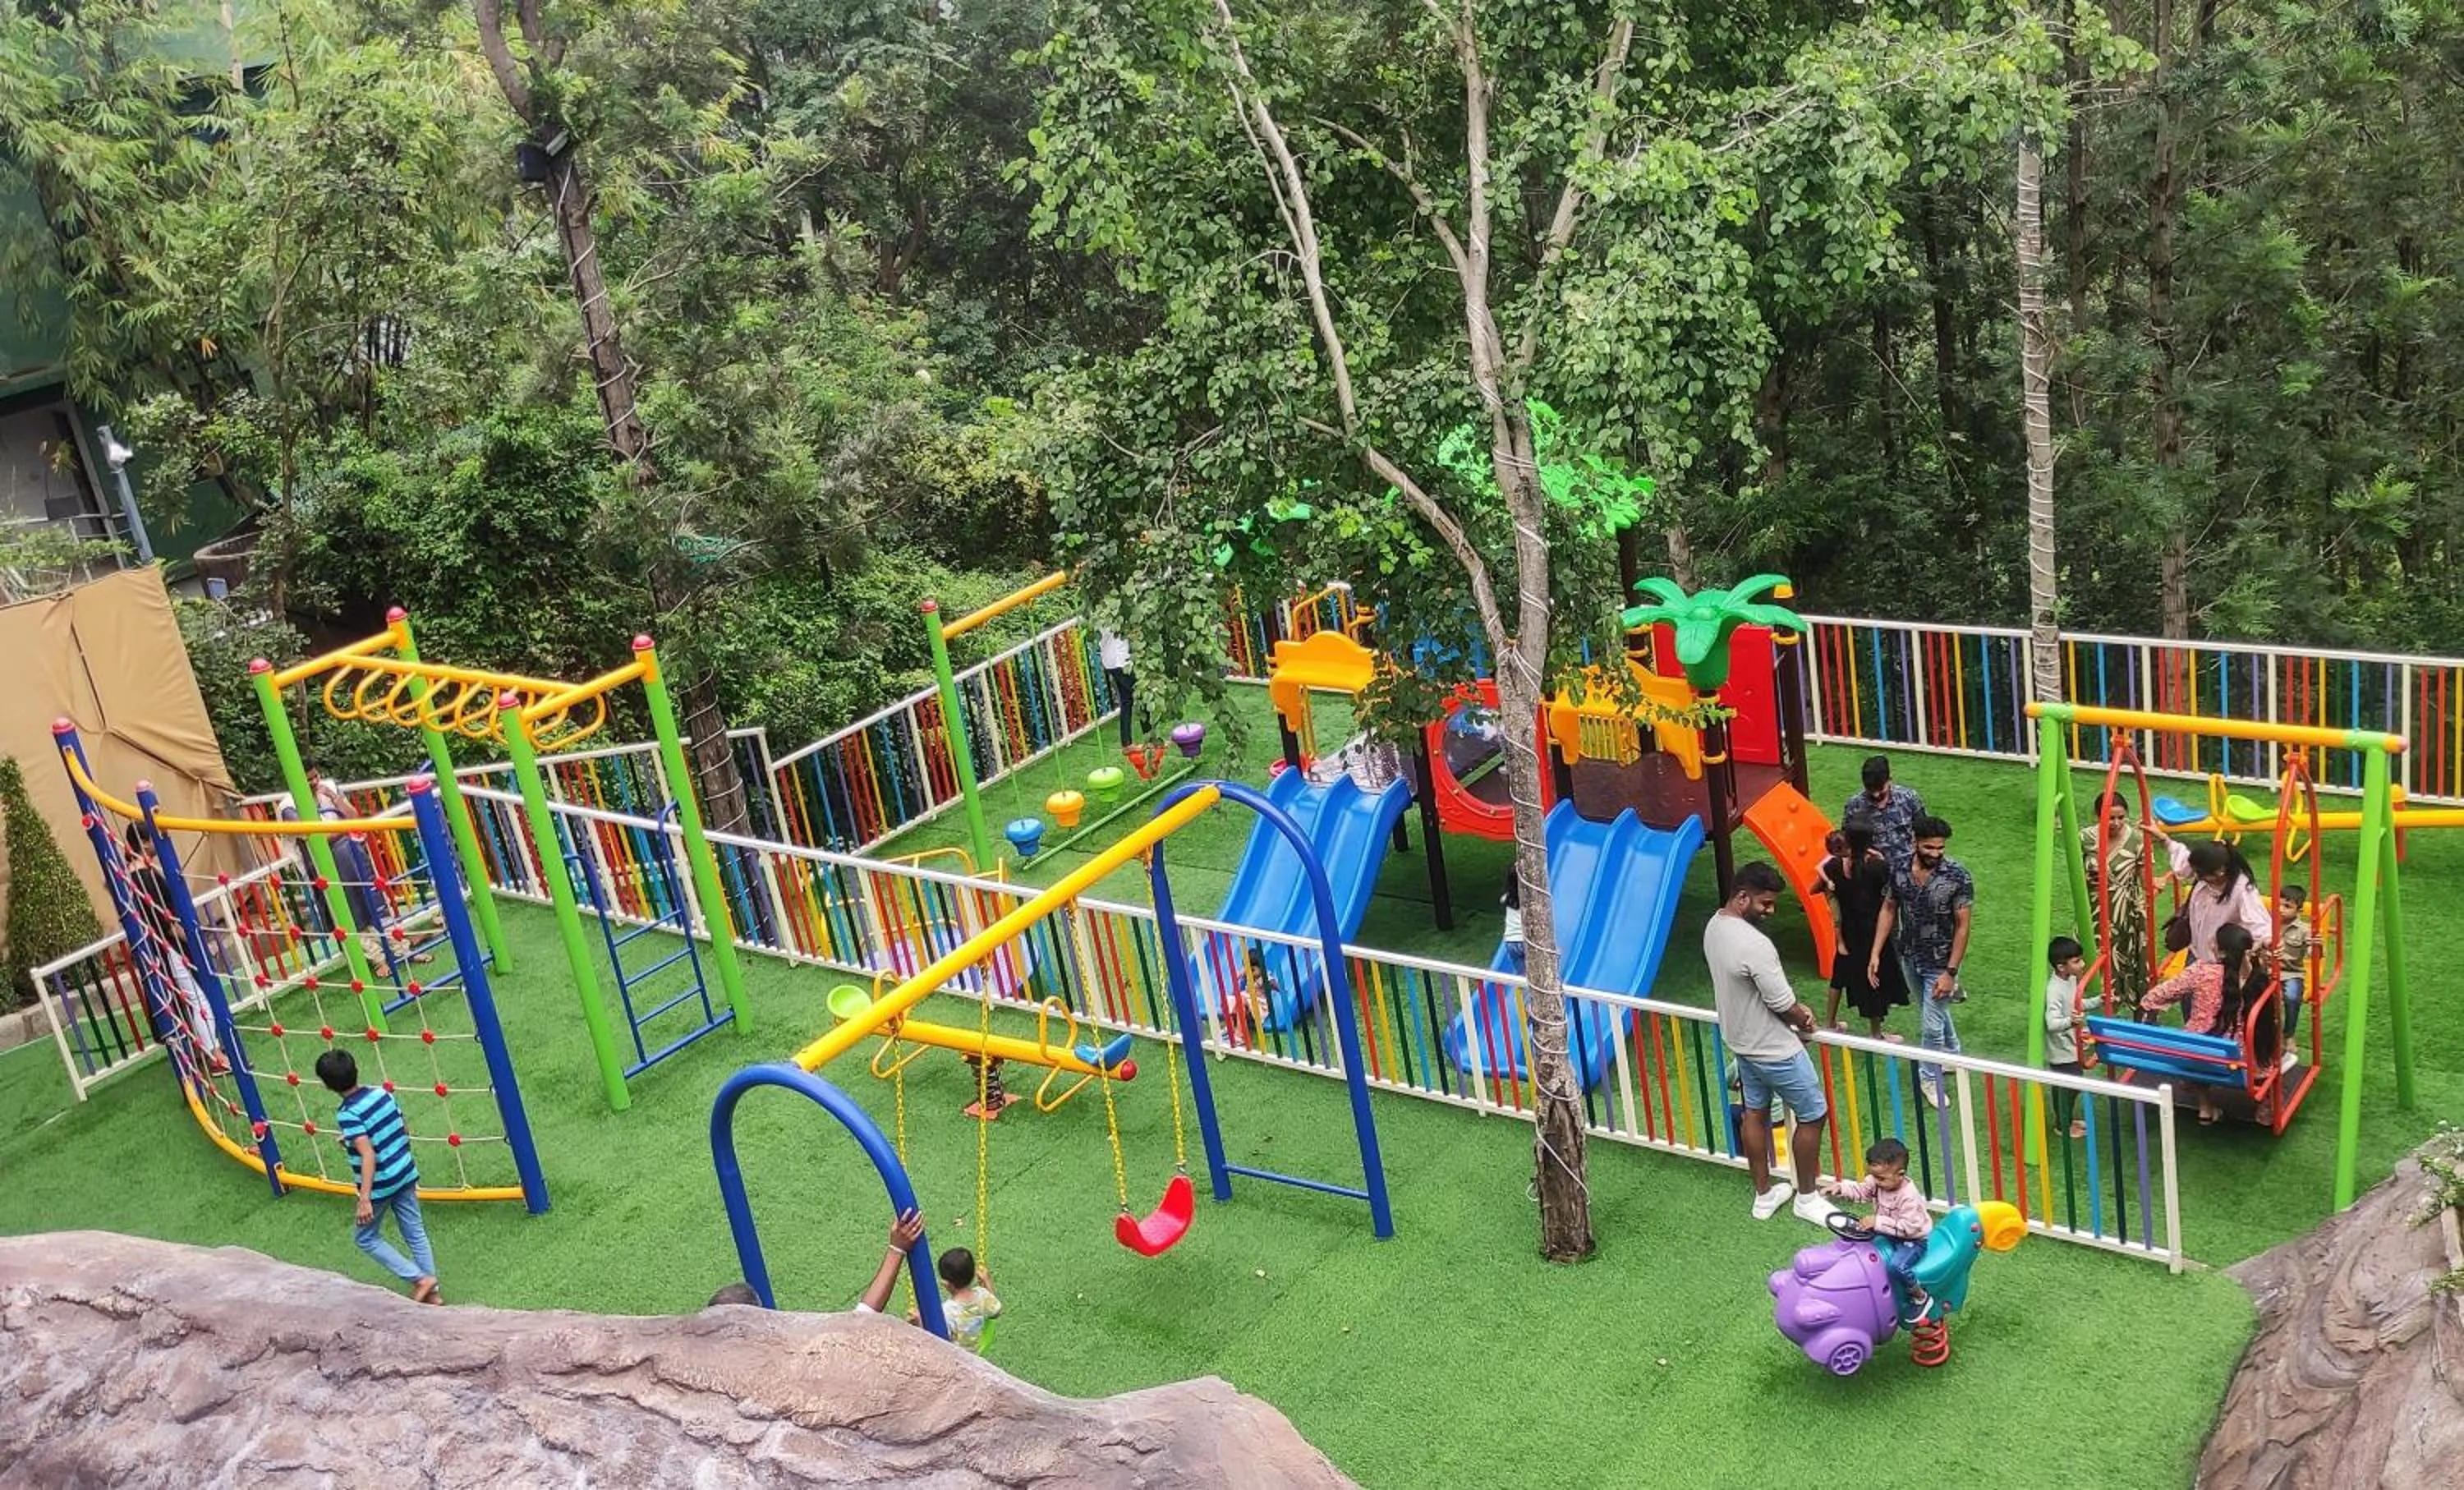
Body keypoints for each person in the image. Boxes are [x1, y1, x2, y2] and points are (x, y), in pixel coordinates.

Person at [1703, 860, 1839, 1226]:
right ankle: (1807, 1198)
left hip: (1743, 1044)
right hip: (1776, 1050)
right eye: (1766, 903)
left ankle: (1764, 1195)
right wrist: (1805, 1017)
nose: (1770, 911)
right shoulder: (1755, 944)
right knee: (1813, 1114)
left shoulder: (1715, 926)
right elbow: (1782, 1003)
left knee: (1755, 1114)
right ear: (1742, 897)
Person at [315, 1048, 439, 1304]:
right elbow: (401, 1128)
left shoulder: (347, 1113)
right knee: (415, 1231)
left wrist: (364, 1198)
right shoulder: (382, 1094)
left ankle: (419, 1278)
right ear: (356, 1070)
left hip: (381, 1185)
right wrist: (353, 1141)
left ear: (327, 1085)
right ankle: (433, 1294)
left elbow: (368, 1154)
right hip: (405, 1172)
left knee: (365, 1237)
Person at [1872, 815, 1972, 1110]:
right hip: (1909, 956)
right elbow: (1889, 907)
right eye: (1929, 847)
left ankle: (1929, 1078)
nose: (1936, 854)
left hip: (1941, 963)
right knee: (1935, 1011)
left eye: (1940, 848)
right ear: (1915, 842)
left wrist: (1951, 973)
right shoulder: (1899, 868)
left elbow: (1963, 926)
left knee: (1930, 1025)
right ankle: (1952, 1053)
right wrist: (1876, 952)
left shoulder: (1957, 876)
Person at [2139, 922, 2275, 1124]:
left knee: (2196, 1040)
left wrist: (2152, 1008)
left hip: (2196, 1055)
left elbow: (2154, 997)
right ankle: (2266, 1104)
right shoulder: (2261, 980)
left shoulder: (2201, 972)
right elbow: (2272, 1022)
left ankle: (2205, 1106)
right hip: (2241, 1064)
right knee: (2265, 1044)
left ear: (2219, 952)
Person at [120, 823, 226, 1073]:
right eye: (154, 837)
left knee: (192, 998)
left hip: (165, 946)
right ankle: (215, 1056)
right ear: (144, 843)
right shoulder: (143, 877)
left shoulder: (137, 874)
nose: (160, 841)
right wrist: (195, 943)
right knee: (198, 998)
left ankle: (207, 1050)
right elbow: (166, 921)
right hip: (171, 947)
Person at [1820, 1138, 1935, 1318]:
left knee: (1897, 1267)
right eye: (1874, 1176)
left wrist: (1878, 1222)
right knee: (1855, 1243)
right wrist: (1841, 1189)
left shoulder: (1908, 1197)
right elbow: (1862, 1191)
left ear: (1900, 1174)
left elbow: (1909, 1229)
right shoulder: (1877, 1181)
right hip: (1886, 1231)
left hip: (1912, 1240)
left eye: (1881, 1178)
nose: (1876, 1182)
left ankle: (1920, 1297)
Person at [1813, 825, 1906, 1037]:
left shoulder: (1835, 866)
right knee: (1874, 976)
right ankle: (1876, 1034)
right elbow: (1892, 887)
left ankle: (1829, 1023)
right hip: (1872, 930)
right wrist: (1881, 859)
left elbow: (1814, 888)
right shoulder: (1875, 866)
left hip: (1847, 931)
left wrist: (1830, 886)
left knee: (1839, 974)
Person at [2082, 793, 2156, 1014]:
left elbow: (2146, 878)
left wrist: (2155, 884)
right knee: (2095, 958)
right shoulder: (2085, 838)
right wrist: (2087, 876)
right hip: (2096, 910)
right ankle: (2098, 1007)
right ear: (2098, 815)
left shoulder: (2137, 841)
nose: (2116, 823)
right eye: (2110, 818)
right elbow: (2076, 870)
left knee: (2129, 960)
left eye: (2121, 818)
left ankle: (2139, 1010)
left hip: (2128, 912)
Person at [2157, 835, 2273, 967]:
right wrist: (2165, 839)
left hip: (2221, 961)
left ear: (2220, 871)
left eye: (2200, 873)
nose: (2197, 877)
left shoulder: (2242, 890)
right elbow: (2185, 862)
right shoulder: (2205, 876)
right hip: (2196, 953)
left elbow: (2256, 920)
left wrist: (2267, 940)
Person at [1841, 755, 1925, 874]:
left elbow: (1924, 831)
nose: (1876, 795)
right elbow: (1847, 839)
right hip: (1873, 871)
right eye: (1870, 789)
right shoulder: (1854, 805)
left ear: (1890, 780)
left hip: (1908, 869)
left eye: (1880, 789)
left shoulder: (1908, 798)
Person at [2043, 935, 2090, 1138]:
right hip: (2061, 1050)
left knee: (2073, 1083)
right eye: (2077, 961)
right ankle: (2062, 1126)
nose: (2083, 964)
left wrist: (2099, 1000)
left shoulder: (2070, 980)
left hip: (2072, 1046)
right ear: (2061, 967)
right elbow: (2052, 1023)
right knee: (2067, 1087)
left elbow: (2076, 1004)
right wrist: (2070, 1023)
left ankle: (2067, 1120)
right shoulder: (2054, 990)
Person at [932, 1246, 1003, 1354]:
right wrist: (987, 1281)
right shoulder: (982, 1296)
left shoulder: (948, 1311)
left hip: (957, 1357)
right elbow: (996, 1311)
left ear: (945, 1284)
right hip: (976, 1350)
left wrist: (917, 1322)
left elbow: (939, 1340)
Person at [1097, 628, 1138, 748]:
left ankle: (1126, 743)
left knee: (1127, 700)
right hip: (1120, 660)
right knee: (1141, 695)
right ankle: (1150, 740)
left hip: (1111, 661)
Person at [1500, 867, 1526, 975]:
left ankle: (1526, 992)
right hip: (1525, 941)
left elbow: (1501, 900)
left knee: (1522, 976)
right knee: (1537, 975)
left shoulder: (1507, 898)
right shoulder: (1528, 900)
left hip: (1510, 941)